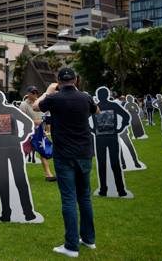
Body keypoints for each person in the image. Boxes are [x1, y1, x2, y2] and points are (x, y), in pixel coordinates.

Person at [34, 67, 98, 258]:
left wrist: (49, 90)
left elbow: (37, 106)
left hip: (64, 155)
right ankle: (88, 239)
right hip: (84, 152)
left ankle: (71, 245)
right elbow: (98, 110)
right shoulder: (85, 97)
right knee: (84, 197)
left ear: (58, 81)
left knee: (69, 198)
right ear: (76, 80)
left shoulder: (55, 98)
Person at [19, 86, 55, 181]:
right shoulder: (23, 105)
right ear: (28, 94)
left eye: (36, 92)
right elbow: (21, 119)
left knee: (43, 153)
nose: (35, 94)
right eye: (32, 92)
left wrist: (46, 126)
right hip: (27, 133)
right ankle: (18, 173)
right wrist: (34, 122)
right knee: (24, 153)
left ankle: (48, 175)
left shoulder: (40, 103)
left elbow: (46, 116)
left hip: (39, 132)